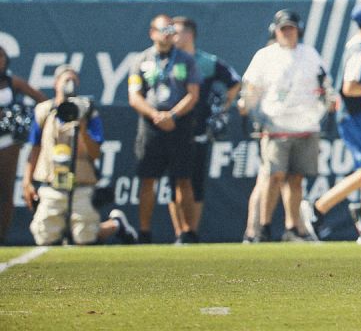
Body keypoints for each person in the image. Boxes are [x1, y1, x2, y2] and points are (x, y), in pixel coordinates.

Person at [302, 3, 361, 244]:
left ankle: (318, 208)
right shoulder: (359, 50)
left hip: (360, 116)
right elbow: (349, 88)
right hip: (353, 117)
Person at [240, 10, 330, 242]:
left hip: (306, 125)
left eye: (291, 28)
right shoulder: (265, 56)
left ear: (298, 29)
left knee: (296, 178)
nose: (287, 33)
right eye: (283, 29)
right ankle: (263, 226)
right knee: (274, 175)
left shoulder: (310, 54)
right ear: (275, 31)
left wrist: (326, 102)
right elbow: (251, 88)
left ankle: (292, 228)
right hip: (276, 125)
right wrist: (250, 108)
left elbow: (324, 83)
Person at [23, 66, 137, 246]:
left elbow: (95, 152)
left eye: (74, 80)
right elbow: (34, 148)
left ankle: (115, 225)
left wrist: (82, 127)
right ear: (55, 83)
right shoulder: (43, 111)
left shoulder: (87, 111)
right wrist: (27, 181)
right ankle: (111, 225)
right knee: (45, 237)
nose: (70, 84)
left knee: (85, 237)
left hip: (81, 185)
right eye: (66, 80)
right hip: (52, 184)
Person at [127, 15, 202, 243]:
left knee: (183, 179)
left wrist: (172, 115)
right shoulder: (140, 60)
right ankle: (145, 232)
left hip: (179, 125)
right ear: (152, 32)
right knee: (148, 179)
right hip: (151, 126)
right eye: (163, 29)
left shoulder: (186, 60)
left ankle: (187, 232)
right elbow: (134, 96)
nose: (168, 33)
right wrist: (155, 115)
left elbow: (193, 93)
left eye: (171, 29)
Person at [172, 17, 240, 237]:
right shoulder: (168, 61)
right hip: (172, 128)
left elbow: (234, 81)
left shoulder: (207, 62)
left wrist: (222, 107)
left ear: (190, 35)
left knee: (195, 183)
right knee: (174, 184)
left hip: (198, 129)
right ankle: (179, 232)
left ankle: (191, 232)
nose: (173, 36)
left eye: (178, 32)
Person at [0, 47, 45, 240]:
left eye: (0, 56)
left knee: (5, 191)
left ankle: (2, 236)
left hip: (7, 142)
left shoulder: (12, 82)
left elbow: (42, 101)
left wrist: (17, 113)